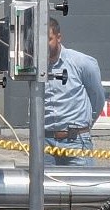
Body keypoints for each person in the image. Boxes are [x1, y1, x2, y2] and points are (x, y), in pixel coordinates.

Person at [43, 17, 104, 161]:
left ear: (59, 37)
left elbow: (98, 99)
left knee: (80, 183)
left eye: (48, 39)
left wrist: (82, 128)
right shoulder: (34, 66)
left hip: (76, 142)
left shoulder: (82, 63)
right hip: (45, 143)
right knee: (44, 184)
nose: (43, 45)